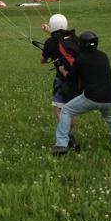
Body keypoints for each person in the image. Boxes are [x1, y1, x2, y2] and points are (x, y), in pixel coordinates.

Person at [50, 30, 111, 156]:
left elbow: (71, 78)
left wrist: (62, 69)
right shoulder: (104, 56)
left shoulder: (81, 60)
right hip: (110, 97)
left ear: (80, 44)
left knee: (66, 111)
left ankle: (61, 145)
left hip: (92, 97)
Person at [38, 14, 80, 151]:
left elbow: (43, 61)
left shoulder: (51, 42)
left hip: (62, 79)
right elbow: (59, 36)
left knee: (59, 107)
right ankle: (69, 134)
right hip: (78, 78)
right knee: (72, 109)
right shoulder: (74, 38)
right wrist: (48, 30)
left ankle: (67, 136)